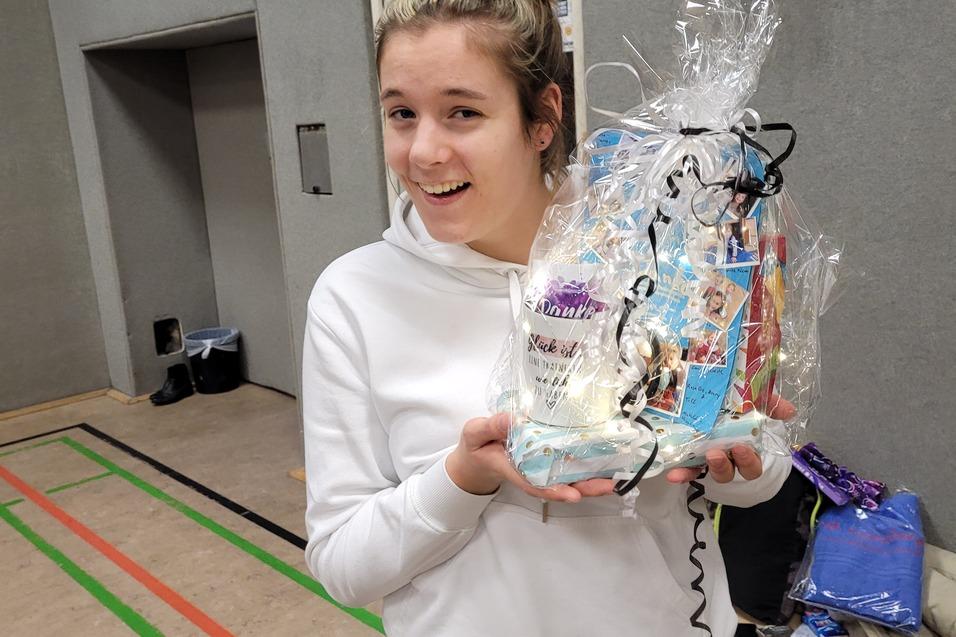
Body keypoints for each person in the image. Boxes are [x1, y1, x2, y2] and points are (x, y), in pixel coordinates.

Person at [302, 2, 793, 635]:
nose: (423, 151)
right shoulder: (353, 296)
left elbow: (763, 470)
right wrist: (463, 477)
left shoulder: (655, 245)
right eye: (402, 113)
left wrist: (740, 454)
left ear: (543, 118)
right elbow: (343, 566)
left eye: (463, 112)